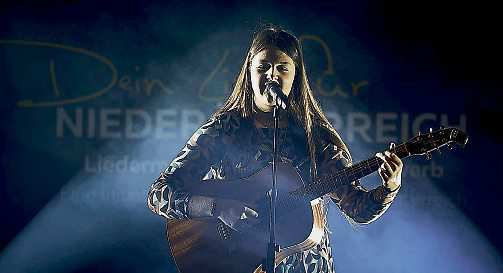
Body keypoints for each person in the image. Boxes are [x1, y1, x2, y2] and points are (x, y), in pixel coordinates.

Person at [147, 26, 403, 273]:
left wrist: (388, 189)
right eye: (263, 67)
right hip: (241, 263)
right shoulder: (224, 128)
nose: (272, 76)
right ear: (249, 71)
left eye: (282, 68)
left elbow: (357, 208)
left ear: (295, 75)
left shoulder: (316, 136)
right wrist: (218, 208)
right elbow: (159, 194)